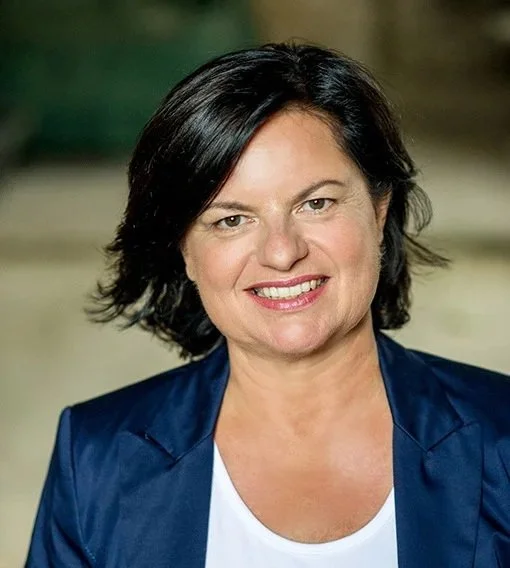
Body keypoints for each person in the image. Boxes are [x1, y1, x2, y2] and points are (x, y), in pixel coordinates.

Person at [26, 42, 510, 568]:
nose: (282, 252)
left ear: (378, 211)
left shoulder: (500, 436)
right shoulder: (95, 456)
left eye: (316, 203)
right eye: (231, 220)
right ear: (184, 249)